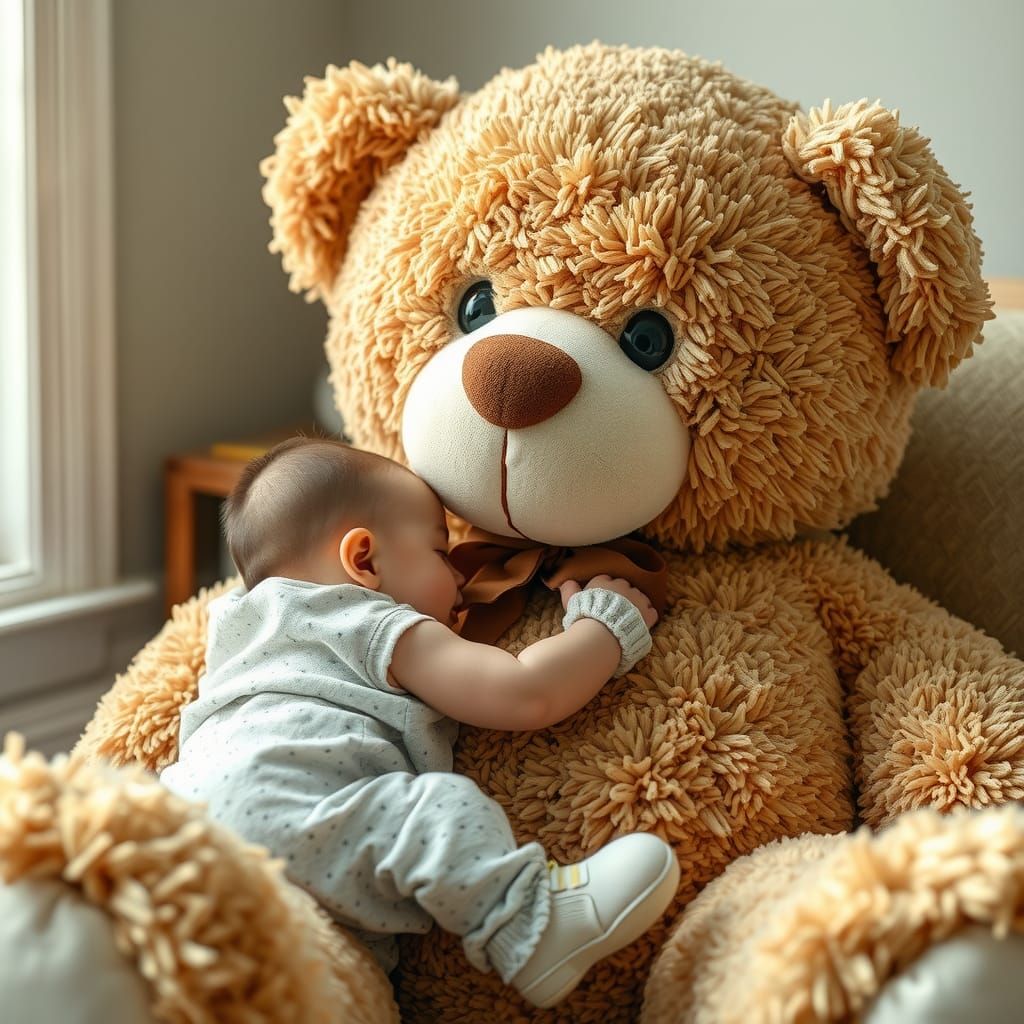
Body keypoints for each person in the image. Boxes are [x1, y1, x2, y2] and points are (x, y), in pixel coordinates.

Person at [160, 436, 679, 1009]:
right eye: (440, 551)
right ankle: (528, 923)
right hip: (287, 813)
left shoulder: (234, 625)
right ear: (364, 561)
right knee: (436, 810)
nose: (460, 579)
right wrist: (602, 627)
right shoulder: (363, 618)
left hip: (181, 827)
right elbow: (523, 692)